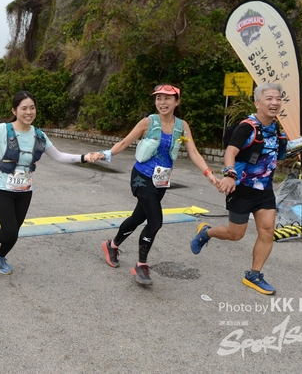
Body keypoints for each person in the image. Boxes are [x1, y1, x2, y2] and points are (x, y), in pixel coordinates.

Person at [0, 91, 99, 275]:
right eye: (24, 108)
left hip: (25, 191)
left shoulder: (39, 135)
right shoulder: (3, 130)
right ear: (14, 111)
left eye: (32, 108)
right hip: (3, 189)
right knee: (9, 230)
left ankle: (0, 257)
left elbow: (59, 156)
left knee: (15, 231)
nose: (29, 112)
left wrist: (84, 157)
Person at [94, 84, 219, 285]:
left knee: (137, 218)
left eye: (167, 98)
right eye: (159, 98)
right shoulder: (148, 122)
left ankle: (112, 245)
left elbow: (194, 152)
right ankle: (141, 265)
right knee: (155, 221)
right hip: (141, 177)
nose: (162, 102)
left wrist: (208, 173)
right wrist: (104, 154)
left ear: (177, 102)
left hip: (161, 181)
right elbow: (125, 143)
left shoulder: (182, 126)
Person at [190, 82, 287, 295]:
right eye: (269, 98)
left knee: (267, 231)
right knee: (235, 234)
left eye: (278, 99)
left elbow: (276, 154)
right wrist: (230, 174)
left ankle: (254, 275)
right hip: (241, 189)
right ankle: (207, 232)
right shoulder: (247, 127)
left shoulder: (275, 128)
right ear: (257, 103)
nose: (275, 102)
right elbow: (230, 152)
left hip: (265, 190)